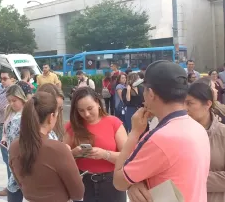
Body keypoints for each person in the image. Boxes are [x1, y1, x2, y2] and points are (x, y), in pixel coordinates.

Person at [114, 60, 210, 202]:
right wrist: (136, 182)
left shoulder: (160, 138)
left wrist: (134, 133)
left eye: (144, 89)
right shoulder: (197, 127)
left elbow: (119, 181)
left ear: (151, 94)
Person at [9, 91, 85, 202]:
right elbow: (78, 194)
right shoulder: (58, 149)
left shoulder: (14, 146)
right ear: (51, 117)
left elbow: (20, 182)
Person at [64, 87, 127, 202]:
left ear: (98, 103)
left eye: (90, 108)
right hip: (83, 182)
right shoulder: (72, 126)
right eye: (81, 110)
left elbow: (127, 157)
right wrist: (74, 153)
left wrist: (105, 154)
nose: (86, 114)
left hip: (112, 182)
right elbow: (62, 157)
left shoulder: (113, 122)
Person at [186, 82, 225, 202]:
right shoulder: (178, 133)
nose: (185, 108)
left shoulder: (222, 134)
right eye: (183, 103)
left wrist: (192, 179)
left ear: (208, 104)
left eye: (190, 103)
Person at [0, 85, 27, 201]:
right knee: (11, 173)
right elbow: (5, 128)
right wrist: (4, 138)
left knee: (16, 185)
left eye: (14, 100)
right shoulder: (9, 110)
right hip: (8, 147)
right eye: (9, 101)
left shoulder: (28, 112)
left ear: (21, 97)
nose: (12, 103)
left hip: (21, 154)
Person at [0, 69, 16, 197]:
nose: (2, 81)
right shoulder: (5, 90)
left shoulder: (10, 91)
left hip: (7, 127)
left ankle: (11, 186)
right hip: (6, 125)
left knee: (8, 159)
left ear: (12, 78)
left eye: (5, 78)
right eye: (1, 79)